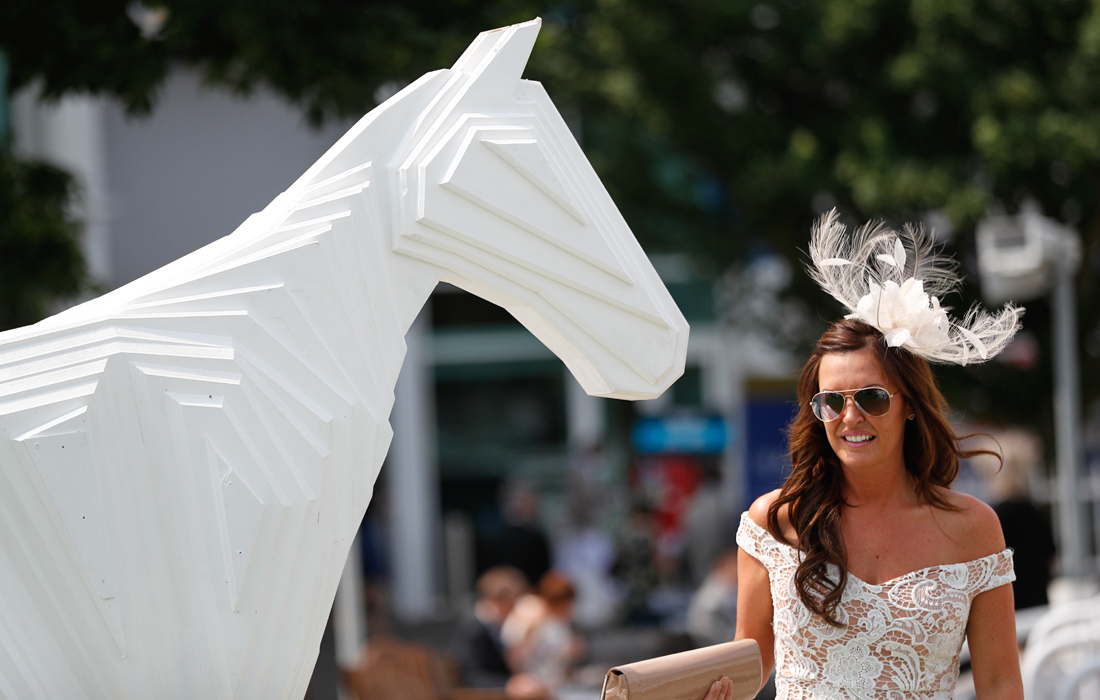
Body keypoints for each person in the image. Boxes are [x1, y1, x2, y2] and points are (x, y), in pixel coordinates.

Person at [722, 213, 1026, 700]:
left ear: (908, 406)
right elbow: (749, 659)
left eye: (872, 398)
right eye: (831, 402)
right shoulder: (774, 520)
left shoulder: (973, 527)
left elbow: (1000, 682)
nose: (850, 417)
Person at [449, 566, 550, 699]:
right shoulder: (474, 629)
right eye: (516, 600)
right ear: (500, 598)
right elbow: (472, 676)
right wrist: (510, 685)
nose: (518, 607)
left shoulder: (494, 627)